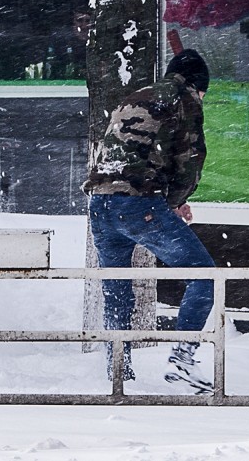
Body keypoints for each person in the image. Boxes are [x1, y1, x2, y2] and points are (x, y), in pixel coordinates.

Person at [82, 49, 215, 391]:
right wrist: (175, 203)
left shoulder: (136, 96)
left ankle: (117, 369)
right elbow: (190, 159)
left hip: (100, 203)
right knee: (204, 276)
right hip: (138, 203)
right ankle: (184, 359)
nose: (202, 99)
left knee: (117, 288)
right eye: (204, 92)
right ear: (197, 85)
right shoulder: (184, 98)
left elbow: (121, 151)